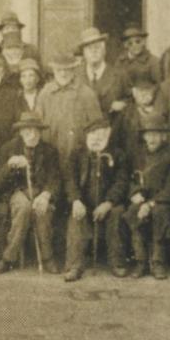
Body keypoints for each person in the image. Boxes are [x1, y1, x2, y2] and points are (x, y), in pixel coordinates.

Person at [0, 111, 62, 275]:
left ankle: (47, 257)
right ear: (20, 131)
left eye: (34, 130)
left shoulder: (49, 151)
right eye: (26, 130)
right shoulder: (9, 148)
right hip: (18, 193)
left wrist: (45, 195)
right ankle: (8, 258)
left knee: (41, 211)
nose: (30, 134)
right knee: (23, 207)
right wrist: (9, 166)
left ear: (40, 131)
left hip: (41, 193)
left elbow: (55, 179)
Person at [62, 118, 130, 281]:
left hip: (109, 204)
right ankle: (74, 265)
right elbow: (70, 179)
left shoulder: (118, 155)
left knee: (117, 213)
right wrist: (76, 200)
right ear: (86, 136)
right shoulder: (76, 154)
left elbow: (121, 182)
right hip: (84, 202)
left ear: (108, 136)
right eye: (93, 134)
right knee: (76, 216)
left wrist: (108, 202)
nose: (96, 139)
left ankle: (117, 262)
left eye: (101, 135)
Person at [125, 114, 170, 279]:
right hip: (141, 199)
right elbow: (129, 178)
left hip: (162, 200)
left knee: (160, 213)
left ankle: (158, 262)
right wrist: (135, 193)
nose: (152, 138)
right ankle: (141, 262)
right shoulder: (137, 154)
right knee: (133, 212)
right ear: (143, 136)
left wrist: (150, 204)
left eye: (156, 134)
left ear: (163, 136)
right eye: (148, 134)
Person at [38, 53, 104, 160]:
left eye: (67, 69)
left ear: (74, 70)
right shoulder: (45, 93)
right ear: (53, 71)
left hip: (77, 156)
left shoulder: (86, 94)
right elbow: (38, 123)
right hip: (50, 156)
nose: (63, 74)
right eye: (59, 70)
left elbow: (97, 127)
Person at [112, 69, 168, 162]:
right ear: (134, 92)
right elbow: (115, 140)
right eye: (140, 90)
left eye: (147, 90)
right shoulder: (125, 113)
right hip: (130, 161)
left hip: (157, 161)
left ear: (153, 91)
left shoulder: (161, 111)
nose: (144, 94)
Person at [76, 27, 129, 115]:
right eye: (89, 48)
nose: (94, 51)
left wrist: (121, 105)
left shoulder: (119, 75)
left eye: (97, 47)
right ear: (84, 53)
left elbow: (131, 101)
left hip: (112, 126)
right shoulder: (76, 76)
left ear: (104, 50)